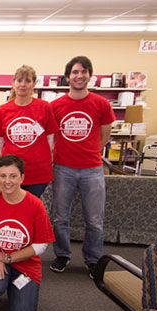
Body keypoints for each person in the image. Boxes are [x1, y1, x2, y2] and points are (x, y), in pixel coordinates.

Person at [49, 56, 115, 279]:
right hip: (62, 168)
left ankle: (93, 259)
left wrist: (91, 151)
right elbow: (51, 137)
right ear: (67, 77)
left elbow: (105, 135)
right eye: (75, 72)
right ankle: (62, 255)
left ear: (90, 75)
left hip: (92, 169)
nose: (79, 76)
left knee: (95, 220)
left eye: (84, 71)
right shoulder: (56, 105)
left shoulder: (101, 104)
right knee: (59, 217)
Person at [0, 155, 55, 311]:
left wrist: (8, 259)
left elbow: (41, 245)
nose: (7, 181)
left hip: (25, 263)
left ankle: (13, 286)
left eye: (13, 176)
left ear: (22, 178)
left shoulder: (35, 205)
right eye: (3, 176)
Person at [0, 65, 58, 198]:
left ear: (34, 84)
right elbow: (0, 140)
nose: (23, 84)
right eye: (19, 80)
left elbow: (50, 137)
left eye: (27, 81)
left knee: (32, 207)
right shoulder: (3, 110)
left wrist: (42, 155)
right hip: (12, 171)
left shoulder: (44, 107)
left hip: (38, 172)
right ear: (13, 83)